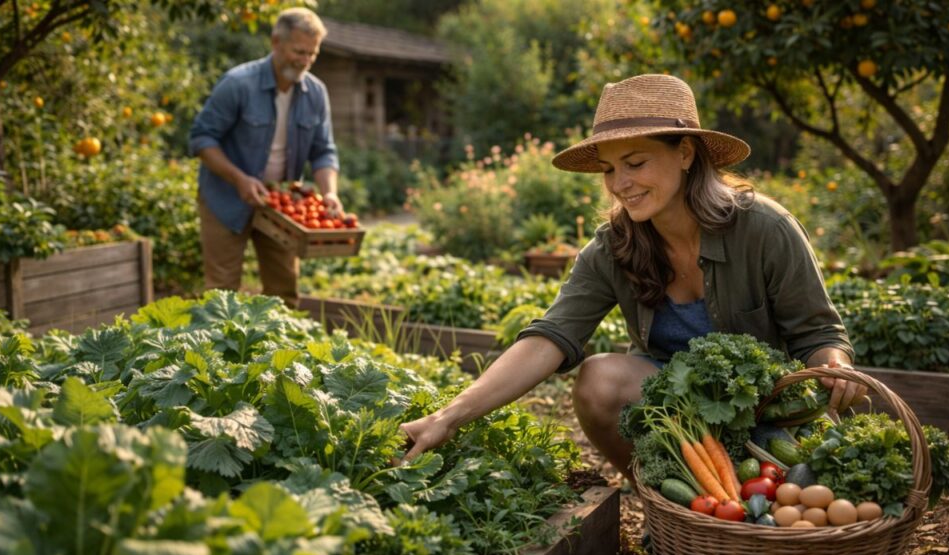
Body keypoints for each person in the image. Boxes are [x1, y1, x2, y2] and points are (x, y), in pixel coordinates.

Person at [399, 74, 865, 481]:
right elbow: (549, 337)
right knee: (599, 379)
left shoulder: (764, 229)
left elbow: (819, 334)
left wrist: (834, 365)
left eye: (635, 163)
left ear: (685, 153)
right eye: (608, 169)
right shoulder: (614, 246)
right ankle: (663, 502)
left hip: (766, 410)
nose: (620, 183)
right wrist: (447, 417)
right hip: (676, 424)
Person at [189, 7, 342, 307]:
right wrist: (239, 179)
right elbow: (201, 139)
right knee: (221, 293)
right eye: (299, 51)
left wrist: (330, 194)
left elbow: (323, 151)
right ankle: (217, 339)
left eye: (312, 54)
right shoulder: (238, 84)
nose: (305, 61)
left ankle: (277, 340)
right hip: (226, 198)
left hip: (279, 206)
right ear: (276, 42)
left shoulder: (315, 93)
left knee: (284, 291)